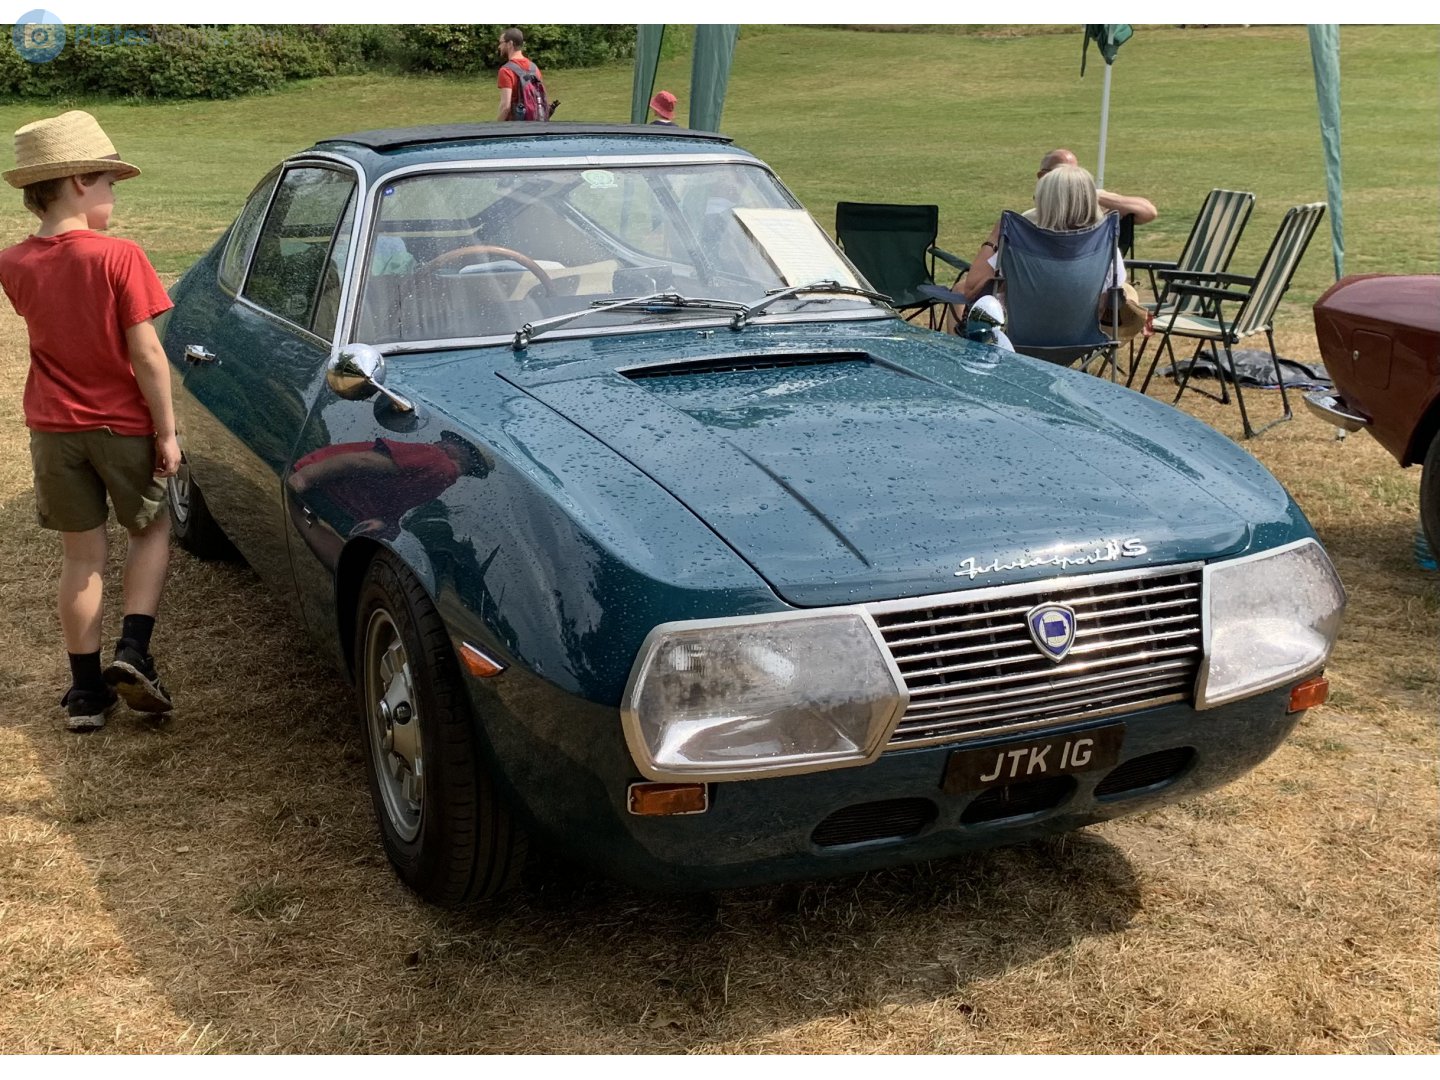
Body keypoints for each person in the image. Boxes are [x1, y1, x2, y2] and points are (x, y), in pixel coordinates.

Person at [0, 110, 179, 731]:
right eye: (107, 183)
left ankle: (84, 695)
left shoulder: (13, 263)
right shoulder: (120, 256)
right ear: (78, 181)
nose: (111, 195)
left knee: (82, 558)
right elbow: (147, 352)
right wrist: (168, 432)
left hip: (52, 429)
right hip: (122, 424)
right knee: (150, 531)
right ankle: (134, 651)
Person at [952, 147, 1157, 314]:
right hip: (1084, 335)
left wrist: (994, 237)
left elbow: (972, 289)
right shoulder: (1102, 238)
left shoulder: (1021, 235)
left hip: (1025, 334)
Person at [496, 27, 545, 122]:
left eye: (501, 43)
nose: (499, 47)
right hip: (535, 124)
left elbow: (505, 107)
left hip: (515, 128)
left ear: (510, 44)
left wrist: (496, 127)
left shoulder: (506, 70)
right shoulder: (534, 68)